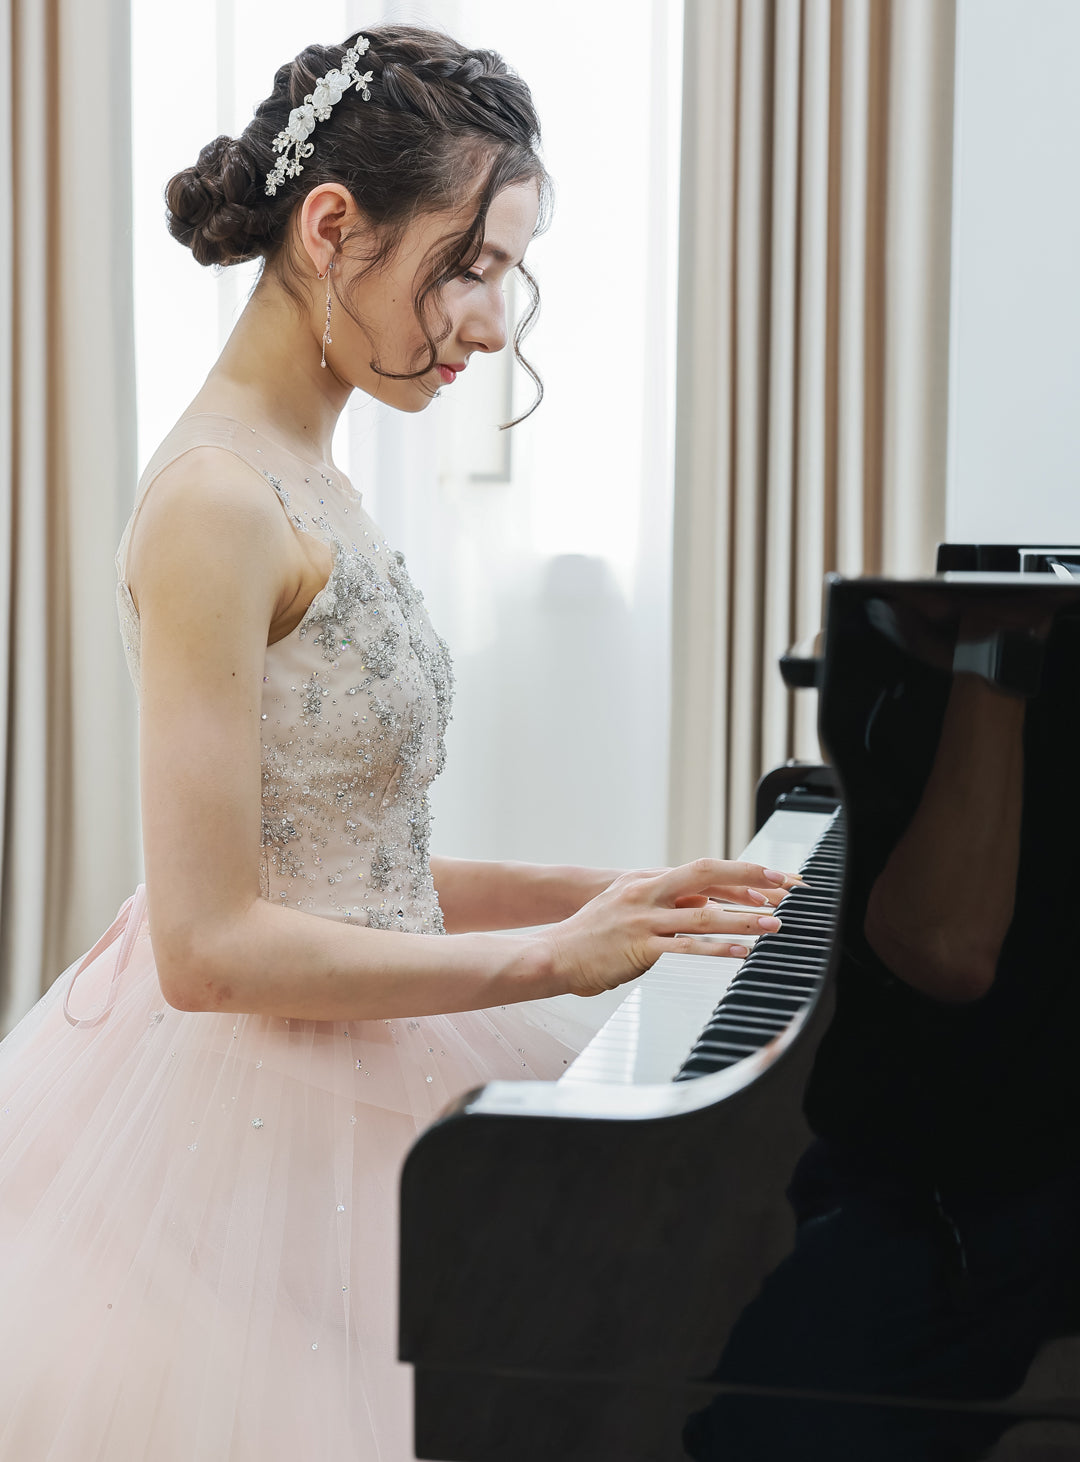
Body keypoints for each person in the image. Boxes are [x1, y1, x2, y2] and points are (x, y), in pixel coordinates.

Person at [0, 25, 795, 1461]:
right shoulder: (213, 505)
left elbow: (355, 858)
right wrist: (557, 956)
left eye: (504, 277)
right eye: (468, 267)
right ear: (330, 228)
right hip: (247, 1124)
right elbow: (210, 944)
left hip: (361, 1054)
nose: (490, 325)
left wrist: (603, 886)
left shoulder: (313, 464)